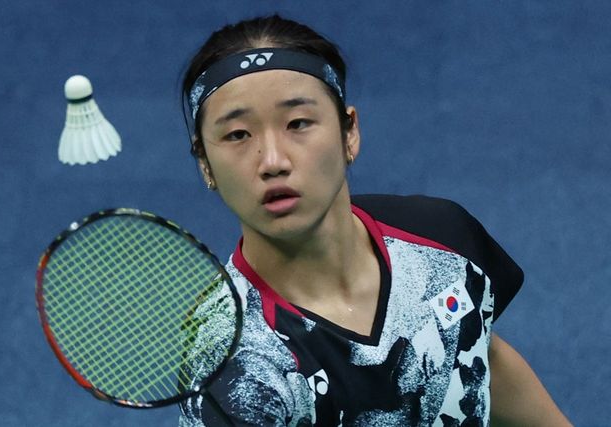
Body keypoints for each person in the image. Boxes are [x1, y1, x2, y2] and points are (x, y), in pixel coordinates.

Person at [178, 14, 571, 426]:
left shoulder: (441, 237)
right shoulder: (232, 363)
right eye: (238, 135)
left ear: (349, 132)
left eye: (298, 123)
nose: (273, 161)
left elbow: (481, 354)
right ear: (205, 163)